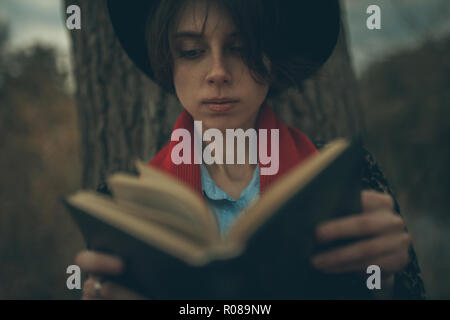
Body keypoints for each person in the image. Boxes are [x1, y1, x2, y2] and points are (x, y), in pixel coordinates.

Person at [75, 0, 426, 299]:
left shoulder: (347, 177)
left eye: (240, 48)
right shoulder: (124, 208)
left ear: (272, 59)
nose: (218, 72)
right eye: (192, 51)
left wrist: (385, 284)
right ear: (170, 61)